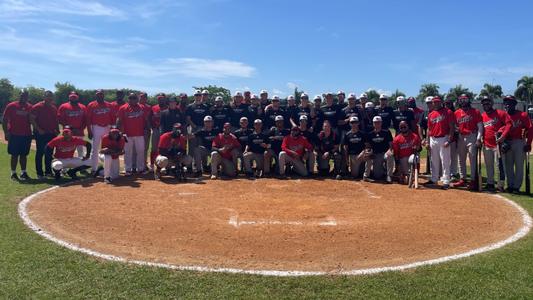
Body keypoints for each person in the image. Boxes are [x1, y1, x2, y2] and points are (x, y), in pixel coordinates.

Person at [452, 94, 483, 190]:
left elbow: (480, 127)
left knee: (472, 159)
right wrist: (456, 130)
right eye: (461, 99)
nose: (463, 101)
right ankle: (463, 179)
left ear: (469, 100)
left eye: (465, 99)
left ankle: (473, 180)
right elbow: (454, 126)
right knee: (461, 159)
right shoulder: (456, 113)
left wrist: (478, 139)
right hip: (461, 137)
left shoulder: (475, 112)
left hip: (472, 136)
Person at [480, 96, 511, 192]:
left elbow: (508, 124)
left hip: (498, 144)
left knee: (499, 166)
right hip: (486, 144)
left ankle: (500, 185)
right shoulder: (482, 115)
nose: (486, 105)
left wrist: (503, 135)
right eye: (484, 103)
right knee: (489, 165)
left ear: (492, 103)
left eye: (488, 103)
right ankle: (490, 183)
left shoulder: (500, 113)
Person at [502, 95, 532, 193]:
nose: (507, 104)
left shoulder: (523, 115)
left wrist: (528, 143)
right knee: (508, 165)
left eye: (510, 102)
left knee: (519, 165)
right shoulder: (503, 115)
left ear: (514, 104)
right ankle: (510, 185)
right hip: (507, 142)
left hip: (519, 141)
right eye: (506, 102)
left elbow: (530, 129)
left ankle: (516, 187)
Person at [427, 96, 456, 189]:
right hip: (433, 138)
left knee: (445, 160)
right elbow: (429, 129)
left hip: (444, 138)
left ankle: (446, 180)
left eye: (437, 102)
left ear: (441, 102)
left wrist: (449, 139)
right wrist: (428, 141)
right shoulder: (431, 114)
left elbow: (452, 127)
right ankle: (434, 179)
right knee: (434, 161)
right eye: (434, 102)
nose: (436, 103)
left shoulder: (448, 112)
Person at [3, 90, 33, 180]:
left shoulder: (30, 107)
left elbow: (33, 120)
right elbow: (5, 120)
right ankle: (13, 173)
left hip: (26, 134)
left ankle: (23, 172)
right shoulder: (11, 106)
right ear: (20, 95)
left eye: (26, 96)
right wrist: (6, 132)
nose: (24, 97)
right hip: (14, 134)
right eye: (22, 95)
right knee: (14, 154)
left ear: (28, 97)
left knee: (24, 155)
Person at [29, 90, 58, 179]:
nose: (49, 98)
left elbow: (55, 120)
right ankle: (40, 173)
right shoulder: (37, 106)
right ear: (44, 97)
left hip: (51, 133)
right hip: (41, 133)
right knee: (40, 152)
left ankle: (48, 172)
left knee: (49, 153)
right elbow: (32, 119)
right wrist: (38, 129)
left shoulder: (53, 107)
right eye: (47, 96)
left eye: (51, 96)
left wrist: (56, 129)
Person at [117, 93, 148, 175]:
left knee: (141, 151)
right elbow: (119, 120)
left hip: (140, 133)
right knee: (128, 152)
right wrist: (120, 131)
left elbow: (146, 119)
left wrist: (147, 129)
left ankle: (141, 169)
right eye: (131, 98)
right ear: (128, 99)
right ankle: (128, 169)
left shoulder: (142, 107)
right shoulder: (123, 108)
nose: (133, 100)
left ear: (137, 99)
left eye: (134, 98)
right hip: (127, 134)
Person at [85, 89, 114, 174]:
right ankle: (94, 168)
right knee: (95, 148)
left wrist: (113, 129)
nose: (100, 96)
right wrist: (89, 131)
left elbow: (113, 117)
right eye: (98, 94)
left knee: (109, 147)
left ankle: (109, 167)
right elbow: (88, 119)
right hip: (96, 127)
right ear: (96, 95)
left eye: (101, 94)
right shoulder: (91, 105)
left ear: (103, 95)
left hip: (107, 127)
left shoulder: (109, 105)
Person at [364, 116, 394, 183]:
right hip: (376, 154)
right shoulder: (370, 134)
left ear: (381, 123)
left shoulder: (386, 132)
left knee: (390, 156)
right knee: (377, 176)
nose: (377, 124)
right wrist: (368, 152)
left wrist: (390, 150)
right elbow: (368, 146)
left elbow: (391, 145)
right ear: (373, 124)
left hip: (384, 153)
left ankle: (389, 176)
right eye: (375, 123)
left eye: (378, 122)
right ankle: (382, 170)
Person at [58, 92, 86, 157]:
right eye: (71, 97)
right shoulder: (63, 106)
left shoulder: (83, 107)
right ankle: (66, 166)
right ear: (69, 97)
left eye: (74, 97)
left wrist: (81, 128)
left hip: (79, 132)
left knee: (80, 150)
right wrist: (69, 128)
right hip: (67, 133)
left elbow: (85, 120)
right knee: (67, 149)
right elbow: (60, 119)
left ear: (77, 97)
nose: (73, 98)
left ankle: (80, 165)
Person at [149, 94, 169, 169]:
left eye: (162, 99)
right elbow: (149, 118)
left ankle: (164, 165)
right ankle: (151, 165)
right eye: (159, 99)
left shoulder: (168, 107)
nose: (161, 100)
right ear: (158, 100)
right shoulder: (154, 107)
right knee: (154, 148)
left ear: (165, 99)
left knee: (164, 147)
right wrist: (151, 127)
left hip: (165, 131)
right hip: (156, 130)